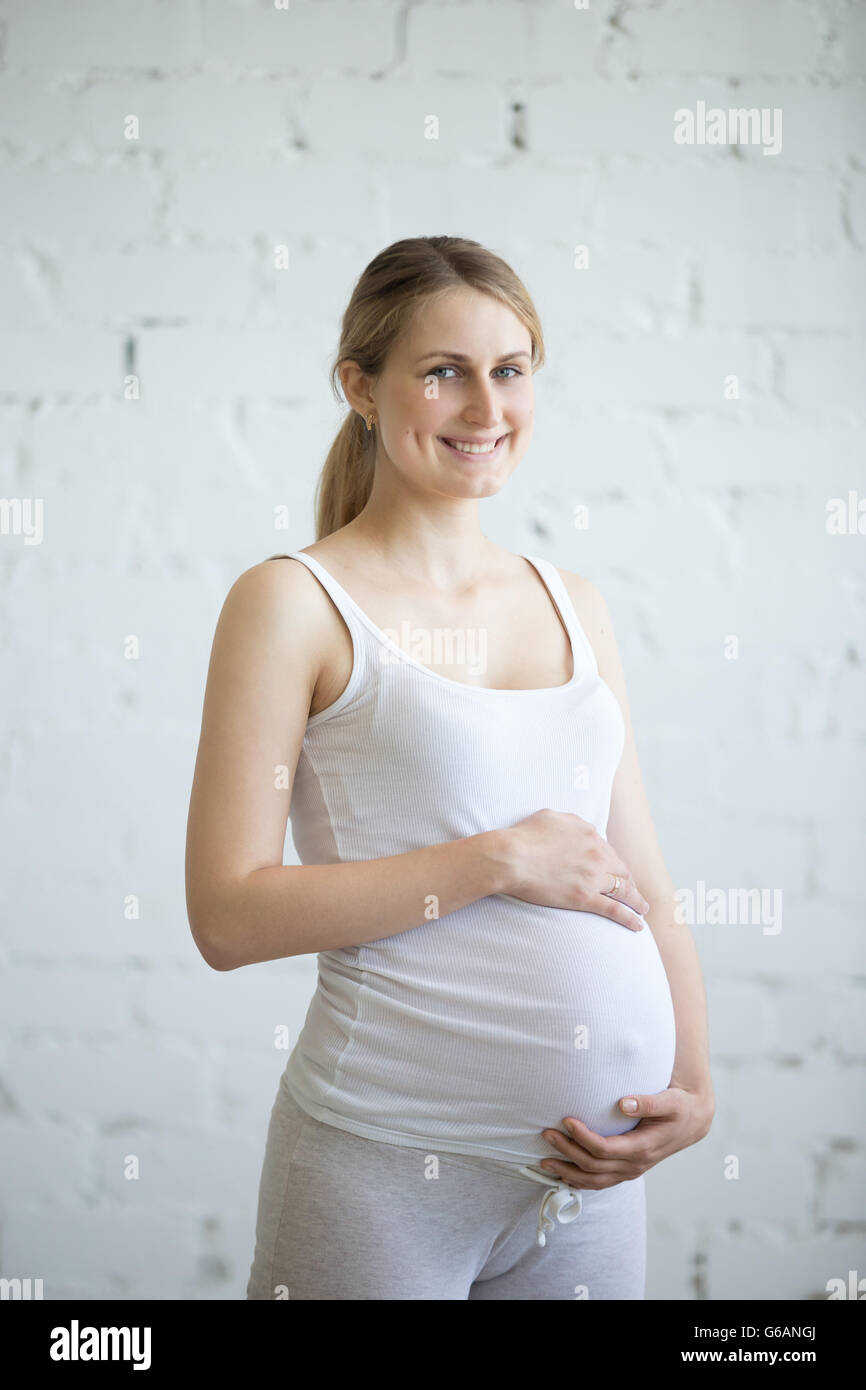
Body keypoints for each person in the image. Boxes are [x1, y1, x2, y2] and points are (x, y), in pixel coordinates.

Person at [185, 235, 714, 1301]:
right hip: (381, 1171)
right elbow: (227, 917)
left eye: (509, 369)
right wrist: (492, 859)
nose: (484, 408)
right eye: (443, 372)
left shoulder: (574, 603)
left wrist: (694, 1085)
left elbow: (641, 874)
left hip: (592, 1182)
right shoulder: (292, 603)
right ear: (359, 388)